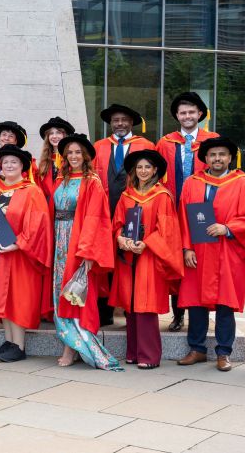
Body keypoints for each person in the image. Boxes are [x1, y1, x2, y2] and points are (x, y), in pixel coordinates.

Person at [176, 138, 245, 372]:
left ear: (230, 157)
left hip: (227, 250)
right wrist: (187, 248)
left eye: (222, 154)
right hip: (199, 251)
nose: (217, 159)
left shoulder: (243, 183)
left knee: (225, 302)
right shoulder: (192, 183)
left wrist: (228, 228)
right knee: (195, 302)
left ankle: (224, 352)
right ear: (205, 158)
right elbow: (183, 217)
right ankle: (197, 349)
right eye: (212, 154)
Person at [50, 134, 121, 370]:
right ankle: (70, 343)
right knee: (61, 291)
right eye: (69, 152)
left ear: (86, 156)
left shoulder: (92, 181)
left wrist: (88, 252)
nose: (73, 156)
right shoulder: (62, 178)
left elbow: (95, 219)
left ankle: (72, 347)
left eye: (78, 152)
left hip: (78, 243)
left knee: (76, 293)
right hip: (59, 240)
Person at [111, 150, 183, 369]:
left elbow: (167, 230)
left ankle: (149, 356)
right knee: (131, 305)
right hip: (128, 256)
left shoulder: (162, 196)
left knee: (145, 305)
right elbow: (117, 222)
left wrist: (147, 244)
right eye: (139, 167)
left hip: (149, 257)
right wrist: (120, 238)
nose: (143, 171)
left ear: (155, 171)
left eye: (148, 167)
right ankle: (133, 352)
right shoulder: (127, 195)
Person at [0, 145, 52, 363]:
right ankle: (10, 341)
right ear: (0, 167)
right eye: (5, 162)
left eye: (14, 162)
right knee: (2, 298)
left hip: (20, 256)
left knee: (17, 299)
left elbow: (38, 224)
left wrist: (18, 243)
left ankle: (19, 346)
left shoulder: (31, 191)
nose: (9, 166)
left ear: (23, 167)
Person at [156, 92, 219, 332]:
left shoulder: (212, 141)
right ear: (177, 116)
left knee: (199, 261)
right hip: (172, 207)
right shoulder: (165, 142)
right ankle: (178, 314)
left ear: (200, 114)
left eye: (192, 112)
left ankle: (199, 313)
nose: (187, 116)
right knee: (174, 260)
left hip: (201, 209)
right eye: (183, 112)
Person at [93, 105, 155, 327]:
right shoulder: (99, 147)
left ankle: (132, 310)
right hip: (103, 212)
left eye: (124, 120)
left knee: (129, 259)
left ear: (132, 122)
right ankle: (104, 311)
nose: (119, 123)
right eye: (115, 120)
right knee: (103, 259)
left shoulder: (145, 146)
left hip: (134, 210)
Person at [37, 117, 75, 200]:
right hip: (47, 205)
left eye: (58, 132)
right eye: (51, 133)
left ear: (65, 135)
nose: (54, 136)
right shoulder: (44, 161)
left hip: (67, 205)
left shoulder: (73, 159)